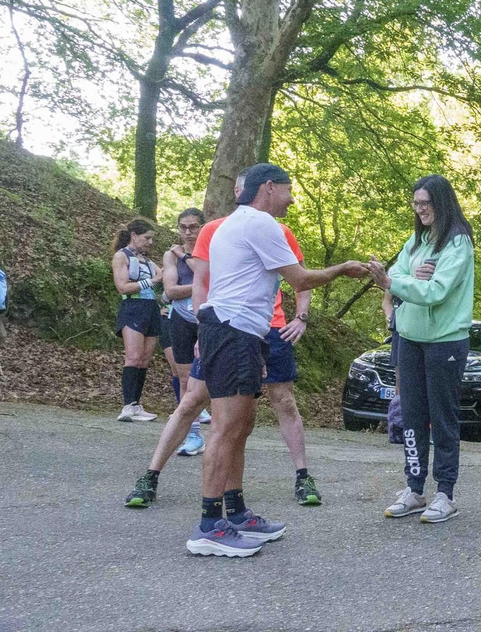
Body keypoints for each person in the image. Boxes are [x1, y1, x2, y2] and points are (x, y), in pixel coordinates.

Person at [184, 164, 365, 556]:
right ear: (268, 188)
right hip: (231, 330)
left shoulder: (235, 223)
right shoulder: (259, 224)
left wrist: (256, 348)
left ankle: (235, 512)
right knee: (226, 426)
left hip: (242, 332)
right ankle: (208, 525)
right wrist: (343, 269)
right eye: (288, 190)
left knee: (242, 423)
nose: (292, 198)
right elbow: (299, 279)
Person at [123, 181, 330, 511]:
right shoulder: (214, 230)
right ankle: (152, 476)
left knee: (278, 402)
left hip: (270, 329)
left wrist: (301, 317)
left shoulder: (277, 229)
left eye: (243, 186)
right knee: (195, 400)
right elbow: (201, 284)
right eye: (235, 186)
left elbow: (300, 277)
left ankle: (299, 477)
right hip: (226, 331)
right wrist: (205, 333)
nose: (238, 192)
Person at [371, 176, 476, 522]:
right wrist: (415, 274)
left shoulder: (458, 243)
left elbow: (437, 291)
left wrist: (398, 281)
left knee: (442, 419)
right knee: (411, 417)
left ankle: (445, 493)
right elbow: (399, 274)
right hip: (409, 337)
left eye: (425, 203)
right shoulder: (417, 241)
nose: (420, 210)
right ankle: (414, 489)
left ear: (441, 203)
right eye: (416, 204)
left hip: (445, 341)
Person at [162, 209, 206, 457]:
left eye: (193, 227)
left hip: (209, 318)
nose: (188, 232)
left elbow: (213, 279)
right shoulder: (171, 255)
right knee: (184, 377)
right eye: (183, 227)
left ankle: (222, 432)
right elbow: (170, 290)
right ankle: (193, 435)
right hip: (180, 318)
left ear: (203, 226)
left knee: (215, 376)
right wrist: (199, 286)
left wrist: (196, 283)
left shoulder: (212, 248)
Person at [111, 218, 162, 422]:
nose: (150, 242)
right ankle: (127, 406)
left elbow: (164, 275)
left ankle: (137, 404)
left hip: (151, 308)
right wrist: (151, 281)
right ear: (134, 236)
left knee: (144, 360)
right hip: (132, 307)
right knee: (133, 357)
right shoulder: (121, 256)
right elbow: (122, 287)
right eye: (146, 238)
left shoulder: (147, 261)